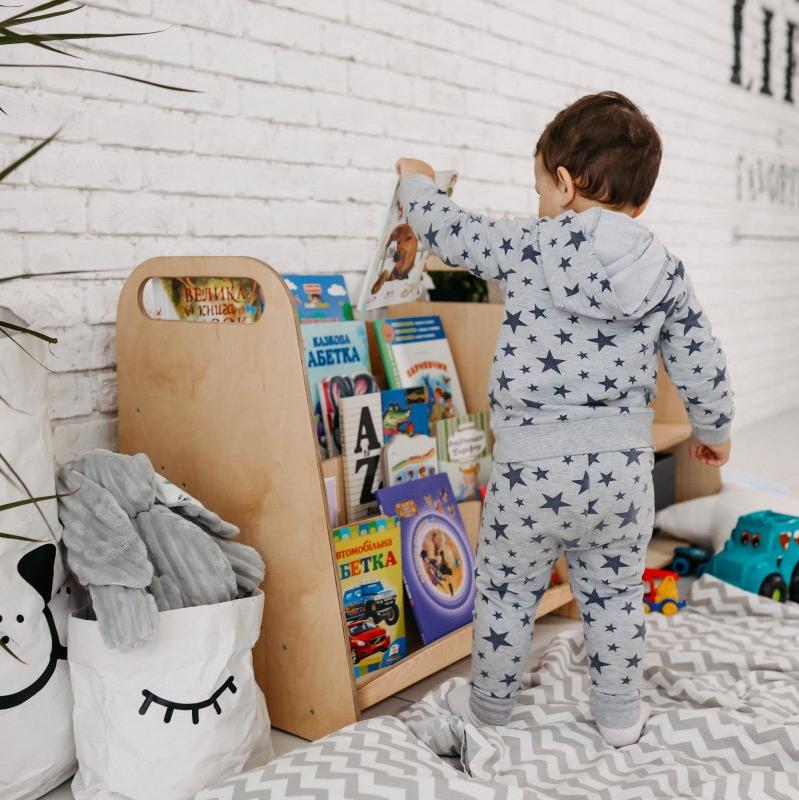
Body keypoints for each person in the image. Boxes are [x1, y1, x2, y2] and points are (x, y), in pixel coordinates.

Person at [395, 91, 734, 747]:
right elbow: (700, 358)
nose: (538, 203)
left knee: (504, 594)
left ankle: (488, 712)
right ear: (640, 200)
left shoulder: (529, 244)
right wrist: (713, 432)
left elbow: (448, 230)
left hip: (528, 471)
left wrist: (415, 180)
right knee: (613, 598)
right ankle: (617, 719)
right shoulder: (664, 271)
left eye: (539, 187)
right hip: (619, 474)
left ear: (563, 181)